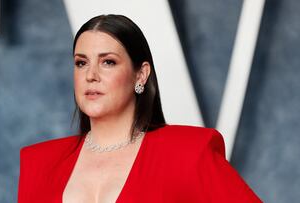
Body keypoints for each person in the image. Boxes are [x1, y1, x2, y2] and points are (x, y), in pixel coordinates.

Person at [17, 14, 262, 203]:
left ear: (141, 74)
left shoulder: (187, 153)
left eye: (108, 62)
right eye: (81, 63)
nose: (91, 75)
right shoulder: (39, 163)